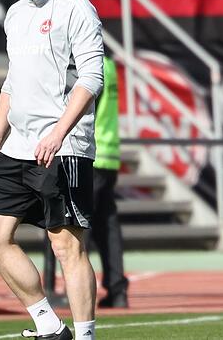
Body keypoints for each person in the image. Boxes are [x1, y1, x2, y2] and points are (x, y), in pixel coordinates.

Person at [0, 0, 103, 340]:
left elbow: (92, 78)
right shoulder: (15, 13)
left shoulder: (76, 7)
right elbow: (11, 84)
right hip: (17, 147)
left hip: (63, 146)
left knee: (66, 246)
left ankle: (84, 335)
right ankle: (50, 325)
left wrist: (58, 133)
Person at [90, 54, 129, 308]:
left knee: (73, 228)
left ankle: (74, 291)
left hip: (90, 155)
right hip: (109, 155)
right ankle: (117, 291)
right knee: (107, 226)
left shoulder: (90, 65)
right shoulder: (109, 65)